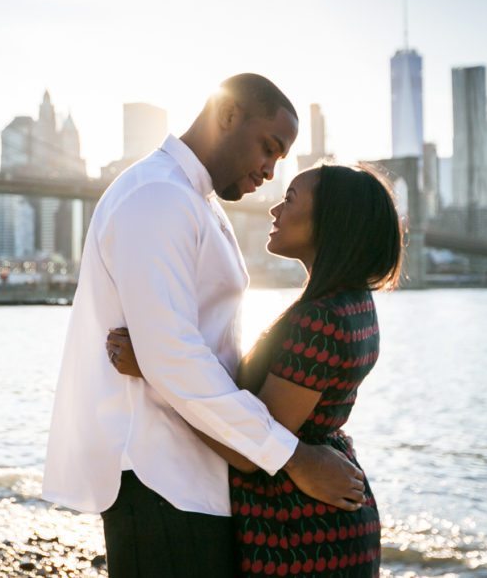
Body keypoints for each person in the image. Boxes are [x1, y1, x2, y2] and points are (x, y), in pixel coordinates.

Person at [43, 74, 367, 578]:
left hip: (195, 473)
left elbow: (193, 351)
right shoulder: (158, 197)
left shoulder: (194, 200)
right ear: (228, 115)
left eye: (280, 160)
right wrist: (295, 458)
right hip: (160, 475)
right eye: (268, 147)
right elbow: (172, 355)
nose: (269, 170)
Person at [107, 163, 403, 576]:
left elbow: (252, 443)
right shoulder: (351, 304)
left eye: (291, 198)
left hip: (302, 534)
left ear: (330, 220)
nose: (274, 209)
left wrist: (154, 370)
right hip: (323, 521)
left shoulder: (321, 320)